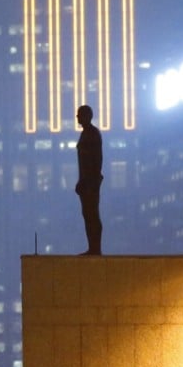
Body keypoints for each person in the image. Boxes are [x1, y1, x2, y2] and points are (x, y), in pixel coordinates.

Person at [74, 105, 103, 255]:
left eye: (79, 115)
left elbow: (96, 160)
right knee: (88, 214)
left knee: (92, 214)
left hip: (91, 182)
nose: (77, 117)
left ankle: (95, 248)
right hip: (86, 182)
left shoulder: (92, 133)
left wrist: (90, 181)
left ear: (87, 116)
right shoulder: (86, 133)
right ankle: (93, 247)